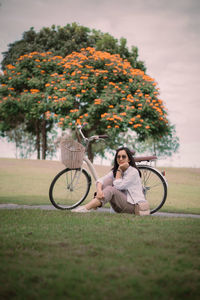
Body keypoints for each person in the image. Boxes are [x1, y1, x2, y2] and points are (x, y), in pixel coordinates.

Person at [72, 147, 150, 215]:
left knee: (111, 189)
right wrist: (99, 191)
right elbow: (101, 180)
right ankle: (94, 203)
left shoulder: (133, 172)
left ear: (129, 159)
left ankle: (86, 208)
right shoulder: (115, 171)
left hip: (134, 207)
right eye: (118, 157)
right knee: (108, 180)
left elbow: (118, 186)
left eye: (123, 157)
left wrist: (119, 170)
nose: (121, 159)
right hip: (122, 204)